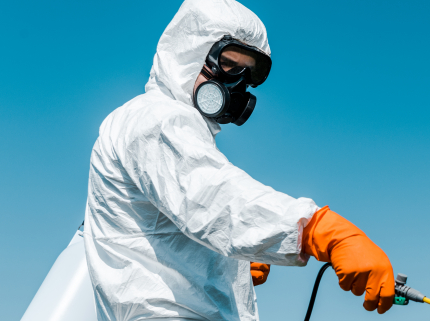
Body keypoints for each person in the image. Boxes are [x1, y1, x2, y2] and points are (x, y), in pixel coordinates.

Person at [82, 0, 394, 320]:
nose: (234, 82)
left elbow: (178, 230)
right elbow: (213, 199)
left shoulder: (180, 135)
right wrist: (315, 228)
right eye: (228, 64)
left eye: (246, 74)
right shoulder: (156, 119)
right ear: (189, 52)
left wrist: (235, 265)